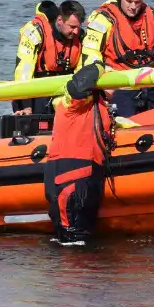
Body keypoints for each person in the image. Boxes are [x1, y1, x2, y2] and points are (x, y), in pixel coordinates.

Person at [79, 0, 154, 118]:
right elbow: (90, 55)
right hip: (119, 85)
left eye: (137, 2)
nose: (133, 6)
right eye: (129, 1)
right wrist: (102, 84)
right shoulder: (103, 19)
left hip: (150, 83)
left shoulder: (153, 16)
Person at [44, 60, 113, 246]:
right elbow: (78, 86)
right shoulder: (71, 102)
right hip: (70, 172)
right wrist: (101, 66)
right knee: (71, 239)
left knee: (85, 238)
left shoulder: (100, 107)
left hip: (90, 173)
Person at [12, 0, 87, 119]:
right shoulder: (35, 31)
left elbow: (83, 71)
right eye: (72, 27)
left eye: (78, 27)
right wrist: (26, 107)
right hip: (35, 91)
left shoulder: (81, 37)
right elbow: (23, 71)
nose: (76, 31)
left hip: (64, 89)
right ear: (60, 20)